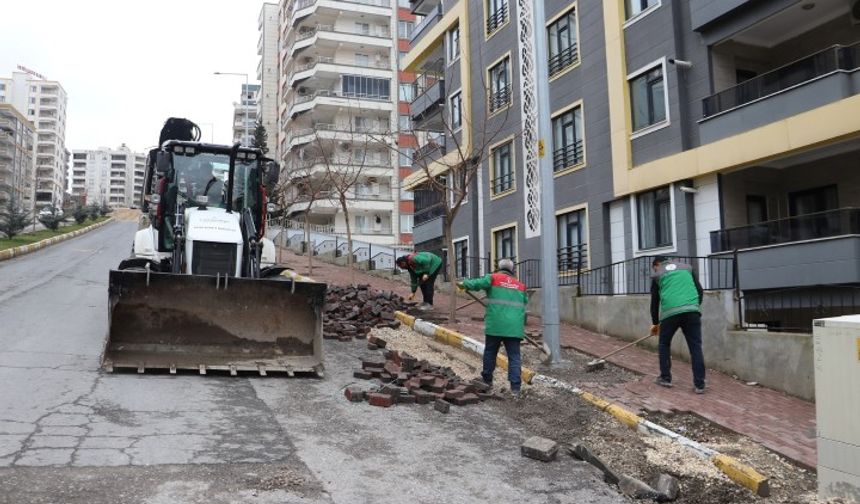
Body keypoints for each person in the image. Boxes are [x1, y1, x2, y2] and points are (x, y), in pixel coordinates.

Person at [458, 258, 528, 395]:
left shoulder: (493, 278)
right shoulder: (521, 285)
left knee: (490, 352)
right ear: (512, 270)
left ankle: (487, 380)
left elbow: (477, 283)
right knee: (514, 356)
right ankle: (515, 388)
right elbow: (525, 301)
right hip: (514, 327)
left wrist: (463, 284)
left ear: (499, 268)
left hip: (496, 324)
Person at [650, 256, 706, 394]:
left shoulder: (657, 275)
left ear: (657, 264)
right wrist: (694, 306)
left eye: (654, 267)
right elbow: (700, 291)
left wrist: (655, 323)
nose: (655, 269)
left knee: (664, 344)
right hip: (692, 312)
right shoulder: (687, 268)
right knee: (695, 347)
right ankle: (699, 384)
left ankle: (665, 378)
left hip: (670, 314)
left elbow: (654, 303)